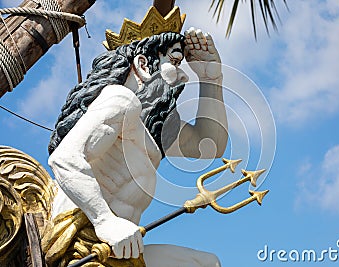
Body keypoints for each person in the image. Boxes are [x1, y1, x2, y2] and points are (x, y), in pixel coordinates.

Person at [47, 28, 227, 266]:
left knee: (206, 263)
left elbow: (210, 145)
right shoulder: (121, 100)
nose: (184, 77)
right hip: (76, 244)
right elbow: (65, 158)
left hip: (120, 251)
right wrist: (105, 221)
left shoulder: (155, 132)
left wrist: (211, 80)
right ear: (143, 65)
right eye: (174, 62)